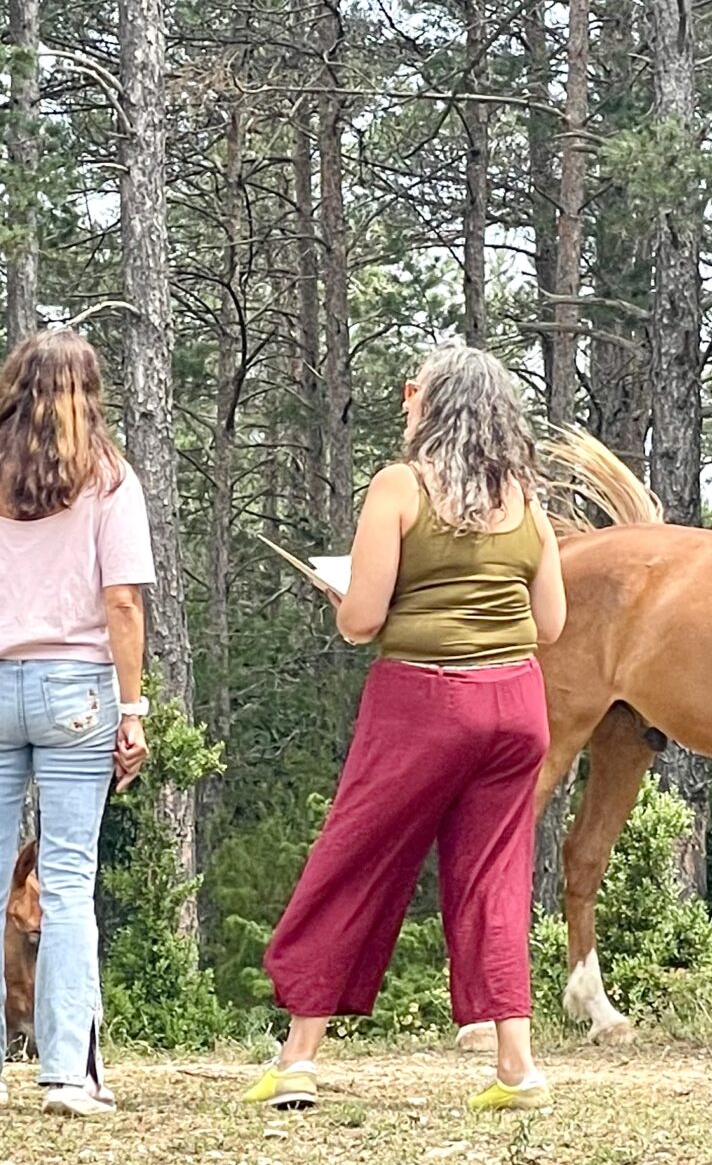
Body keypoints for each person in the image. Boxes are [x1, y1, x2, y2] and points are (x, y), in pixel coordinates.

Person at [243, 344, 567, 1114]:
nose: (404, 400)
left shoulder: (400, 486)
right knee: (495, 879)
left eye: (414, 391)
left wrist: (344, 597)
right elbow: (550, 624)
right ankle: (517, 1068)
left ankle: (298, 1061)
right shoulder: (525, 499)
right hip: (517, 705)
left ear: (434, 403)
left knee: (355, 859)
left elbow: (361, 622)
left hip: (424, 701)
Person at [0, 328, 153, 1118]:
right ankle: (66, 1075)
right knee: (69, 880)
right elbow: (122, 601)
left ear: (11, 389)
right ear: (90, 395)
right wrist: (133, 707)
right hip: (77, 691)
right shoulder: (109, 480)